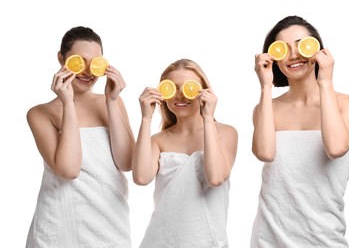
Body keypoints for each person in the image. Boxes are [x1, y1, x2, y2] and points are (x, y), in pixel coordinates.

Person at [250, 15, 349, 247]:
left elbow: (336, 147)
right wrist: (265, 87)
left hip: (324, 238)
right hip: (269, 238)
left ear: (317, 51)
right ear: (275, 59)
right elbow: (264, 153)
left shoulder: (348, 104)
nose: (293, 55)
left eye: (301, 45)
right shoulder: (266, 108)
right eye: (283, 49)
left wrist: (325, 83)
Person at [25, 26, 135, 247]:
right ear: (61, 59)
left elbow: (127, 163)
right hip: (61, 223)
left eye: (94, 62)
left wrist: (112, 102)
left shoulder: (112, 102)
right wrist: (68, 103)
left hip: (111, 223)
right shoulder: (40, 113)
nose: (87, 72)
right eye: (79, 61)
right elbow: (68, 169)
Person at [132, 59, 238, 247]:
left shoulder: (226, 133)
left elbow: (215, 178)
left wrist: (207, 118)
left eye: (188, 88)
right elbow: (141, 178)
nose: (180, 96)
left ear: (204, 92)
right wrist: (146, 119)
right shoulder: (158, 140)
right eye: (172, 88)